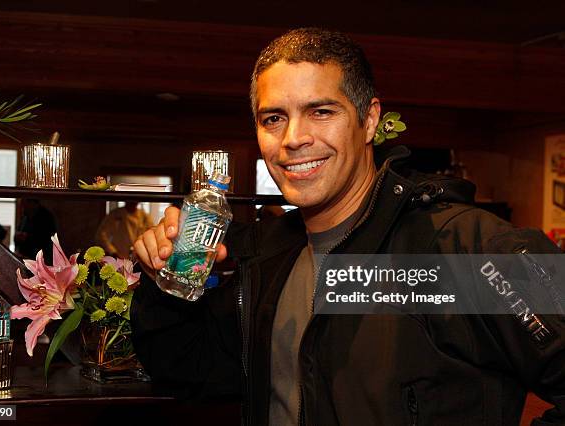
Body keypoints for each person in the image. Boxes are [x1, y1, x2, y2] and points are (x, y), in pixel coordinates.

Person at [131, 28, 565, 425]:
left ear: (369, 120)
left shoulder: (471, 248)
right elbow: (187, 371)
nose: (293, 138)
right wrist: (164, 285)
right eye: (273, 118)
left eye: (321, 111)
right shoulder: (266, 254)